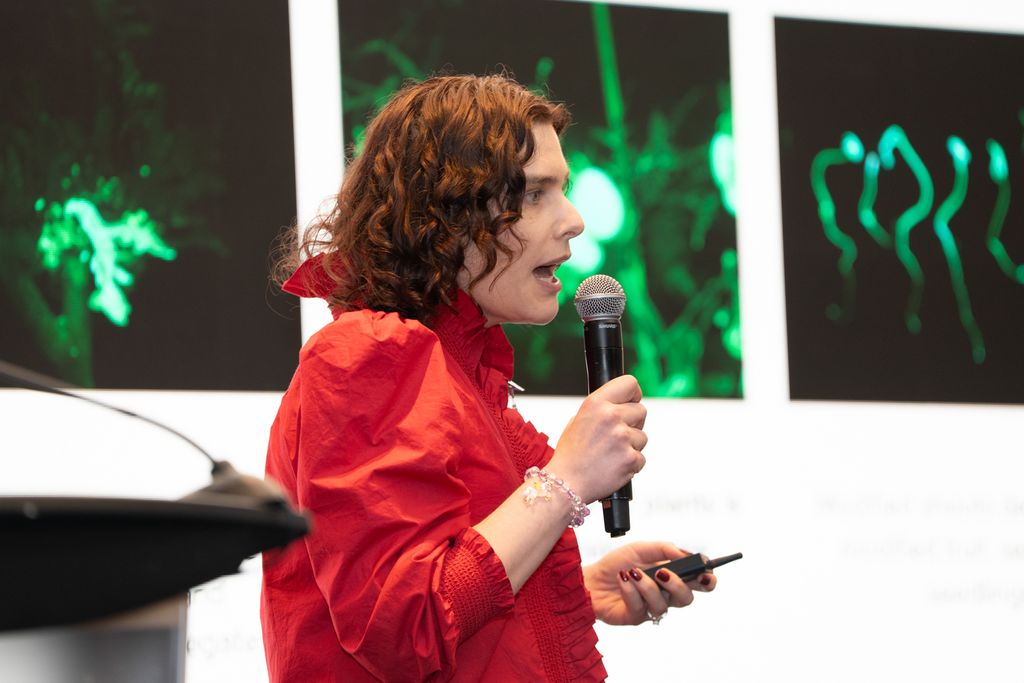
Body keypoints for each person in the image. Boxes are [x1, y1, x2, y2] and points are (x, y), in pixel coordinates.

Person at [260, 73, 717, 682]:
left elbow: (449, 587)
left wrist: (576, 591)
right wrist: (565, 481)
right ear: (444, 216)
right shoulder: (367, 355)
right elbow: (404, 631)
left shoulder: (458, 366)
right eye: (535, 193)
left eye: (563, 189)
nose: (575, 220)